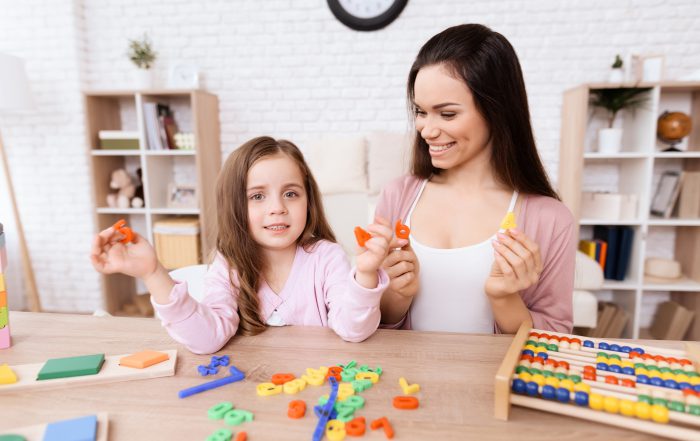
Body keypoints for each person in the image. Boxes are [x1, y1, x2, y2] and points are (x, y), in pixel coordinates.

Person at [91, 136, 392, 354]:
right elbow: (206, 339)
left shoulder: (327, 257)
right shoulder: (230, 265)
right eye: (257, 196)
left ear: (308, 200)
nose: (277, 208)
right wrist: (152, 272)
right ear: (235, 205)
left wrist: (365, 274)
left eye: (291, 193)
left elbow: (355, 330)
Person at [376, 24, 575, 334]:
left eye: (447, 114)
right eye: (420, 111)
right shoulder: (397, 197)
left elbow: (556, 337)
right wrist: (396, 295)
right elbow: (373, 321)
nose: (426, 129)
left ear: (496, 110)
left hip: (488, 383)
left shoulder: (551, 219)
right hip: (406, 382)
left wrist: (505, 299)